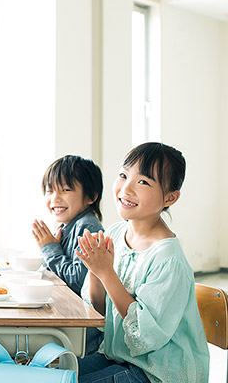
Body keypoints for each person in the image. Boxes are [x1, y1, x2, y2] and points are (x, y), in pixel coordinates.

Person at [76, 142, 209, 383]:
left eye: (144, 182)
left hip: (158, 372)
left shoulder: (168, 259)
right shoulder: (115, 233)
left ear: (170, 197)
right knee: (53, 373)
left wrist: (107, 274)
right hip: (119, 356)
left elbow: (146, 336)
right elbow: (100, 313)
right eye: (124, 175)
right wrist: (95, 269)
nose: (126, 188)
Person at [32, 155, 104, 295]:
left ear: (90, 197)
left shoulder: (88, 228)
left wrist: (49, 248)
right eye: (50, 191)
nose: (55, 198)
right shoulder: (67, 227)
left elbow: (78, 281)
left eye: (66, 190)